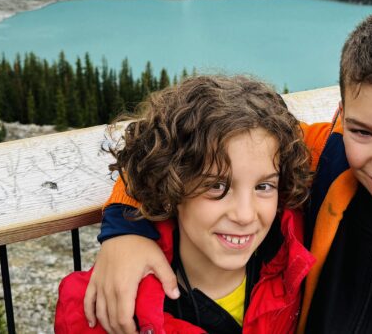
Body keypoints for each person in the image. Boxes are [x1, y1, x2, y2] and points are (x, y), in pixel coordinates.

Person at [86, 12, 372, 333]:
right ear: (341, 117)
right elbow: (192, 142)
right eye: (364, 131)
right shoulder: (330, 159)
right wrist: (126, 230)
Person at [54, 75, 314, 334]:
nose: (245, 215)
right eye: (217, 187)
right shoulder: (105, 311)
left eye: (263, 186)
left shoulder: (292, 247)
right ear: (171, 185)